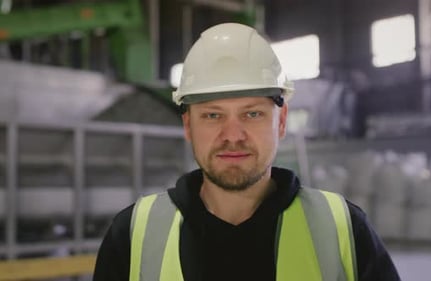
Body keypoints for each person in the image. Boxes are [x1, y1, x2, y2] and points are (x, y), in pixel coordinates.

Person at [93, 22, 400, 281]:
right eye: (213, 115)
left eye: (252, 114)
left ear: (280, 122)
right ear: (188, 126)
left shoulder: (342, 228)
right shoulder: (133, 235)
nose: (233, 136)